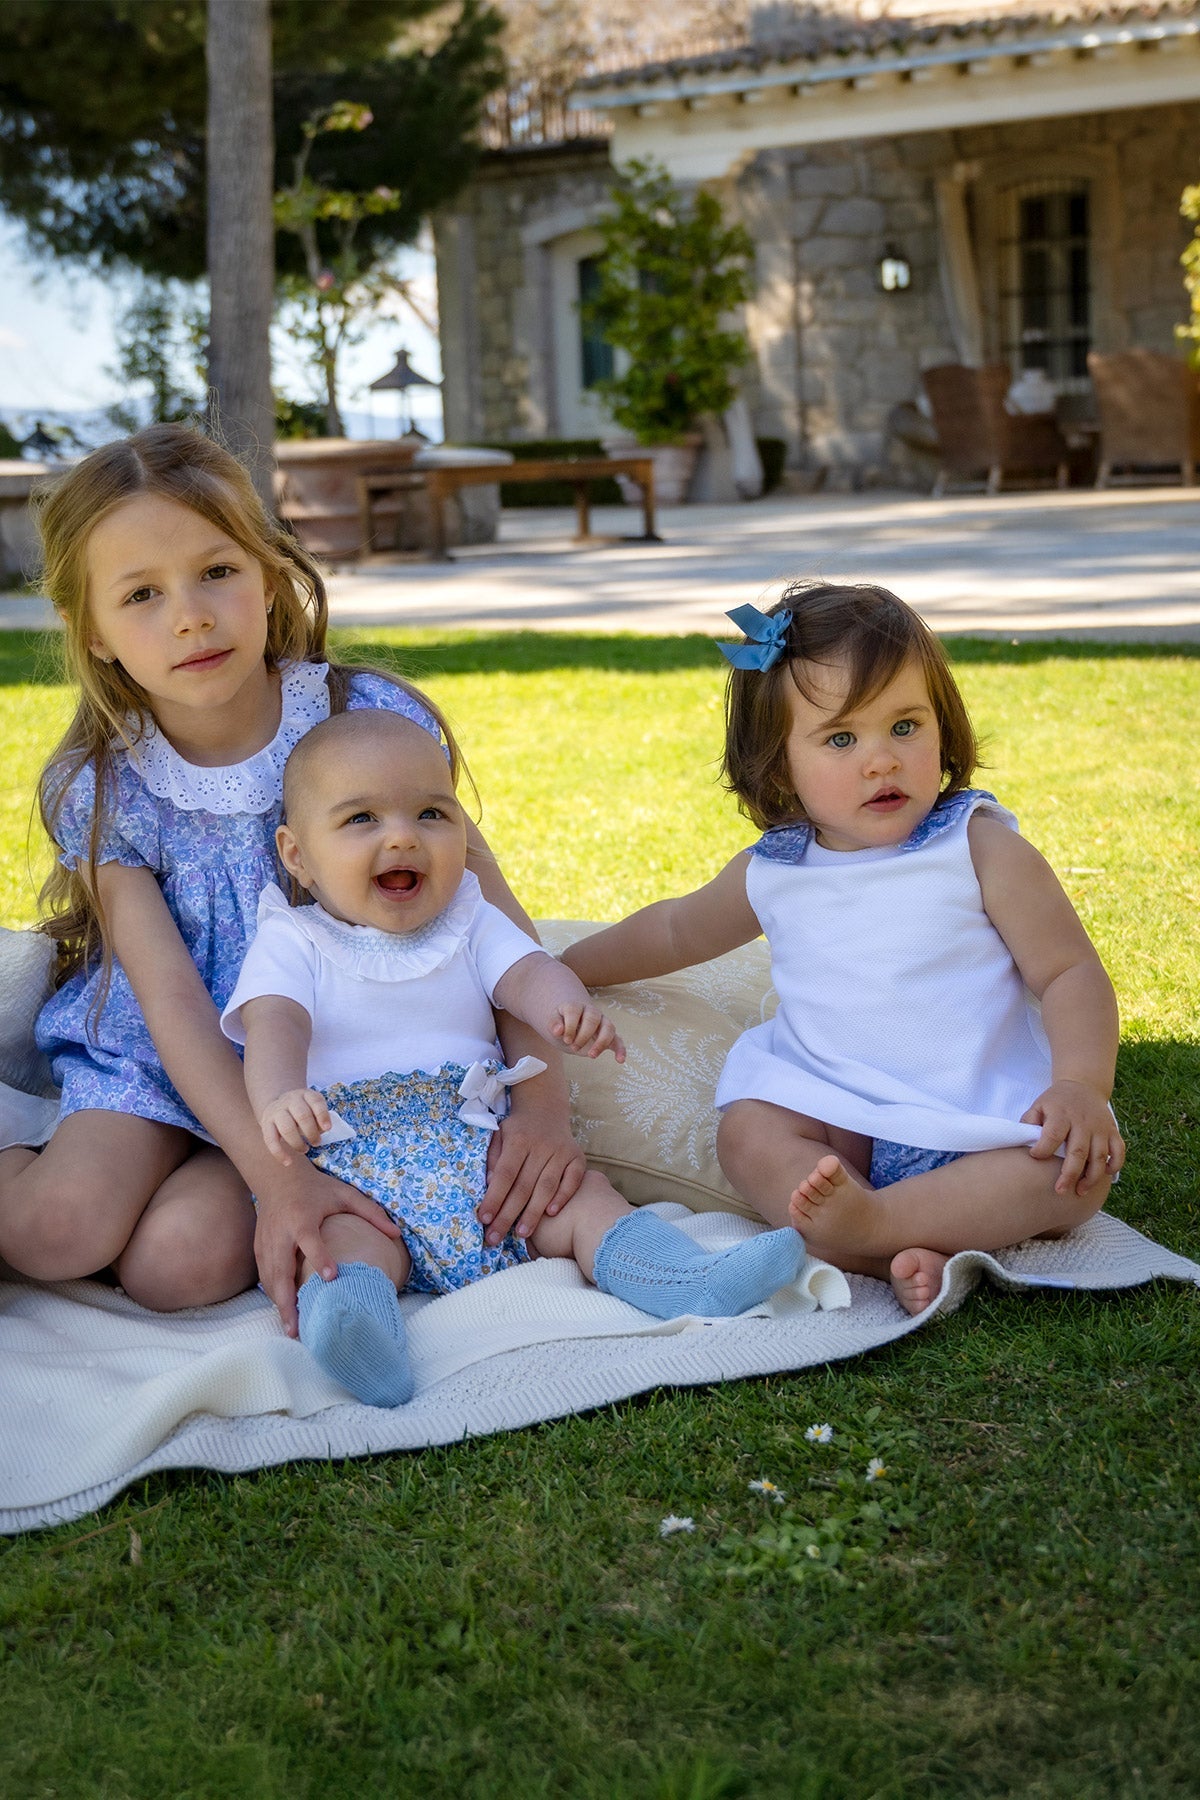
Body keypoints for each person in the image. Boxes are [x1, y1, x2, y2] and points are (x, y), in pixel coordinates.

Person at [0, 423, 594, 1332]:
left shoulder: (362, 718)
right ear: (95, 633)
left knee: (173, 1268)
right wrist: (277, 1182)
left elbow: (493, 921)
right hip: (163, 1064)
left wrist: (541, 1107)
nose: (191, 616)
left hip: (332, 1071)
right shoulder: (110, 785)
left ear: (270, 577)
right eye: (142, 594)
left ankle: (226, 1183)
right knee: (57, 1232)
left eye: (217, 571)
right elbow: (171, 1004)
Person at [563, 583, 1125, 1316]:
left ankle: (877, 1230)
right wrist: (562, 968)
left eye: (905, 726)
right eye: (840, 740)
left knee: (1073, 1176)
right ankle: (895, 1242)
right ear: (779, 766)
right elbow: (673, 931)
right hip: (843, 1119)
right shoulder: (776, 869)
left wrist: (1081, 1085)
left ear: (943, 724)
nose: (881, 761)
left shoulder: (979, 848)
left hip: (982, 1118)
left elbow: (1069, 971)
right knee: (749, 1132)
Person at [221, 708, 808, 1406]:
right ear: (297, 855)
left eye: (432, 814)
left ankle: (689, 1278)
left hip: (487, 1159)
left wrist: (565, 1007)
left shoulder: (470, 918)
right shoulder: (292, 938)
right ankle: (355, 1333)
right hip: (354, 1170)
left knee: (578, 1201)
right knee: (343, 1249)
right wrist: (280, 1096)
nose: (403, 836)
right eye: (361, 819)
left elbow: (527, 971)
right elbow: (274, 1024)